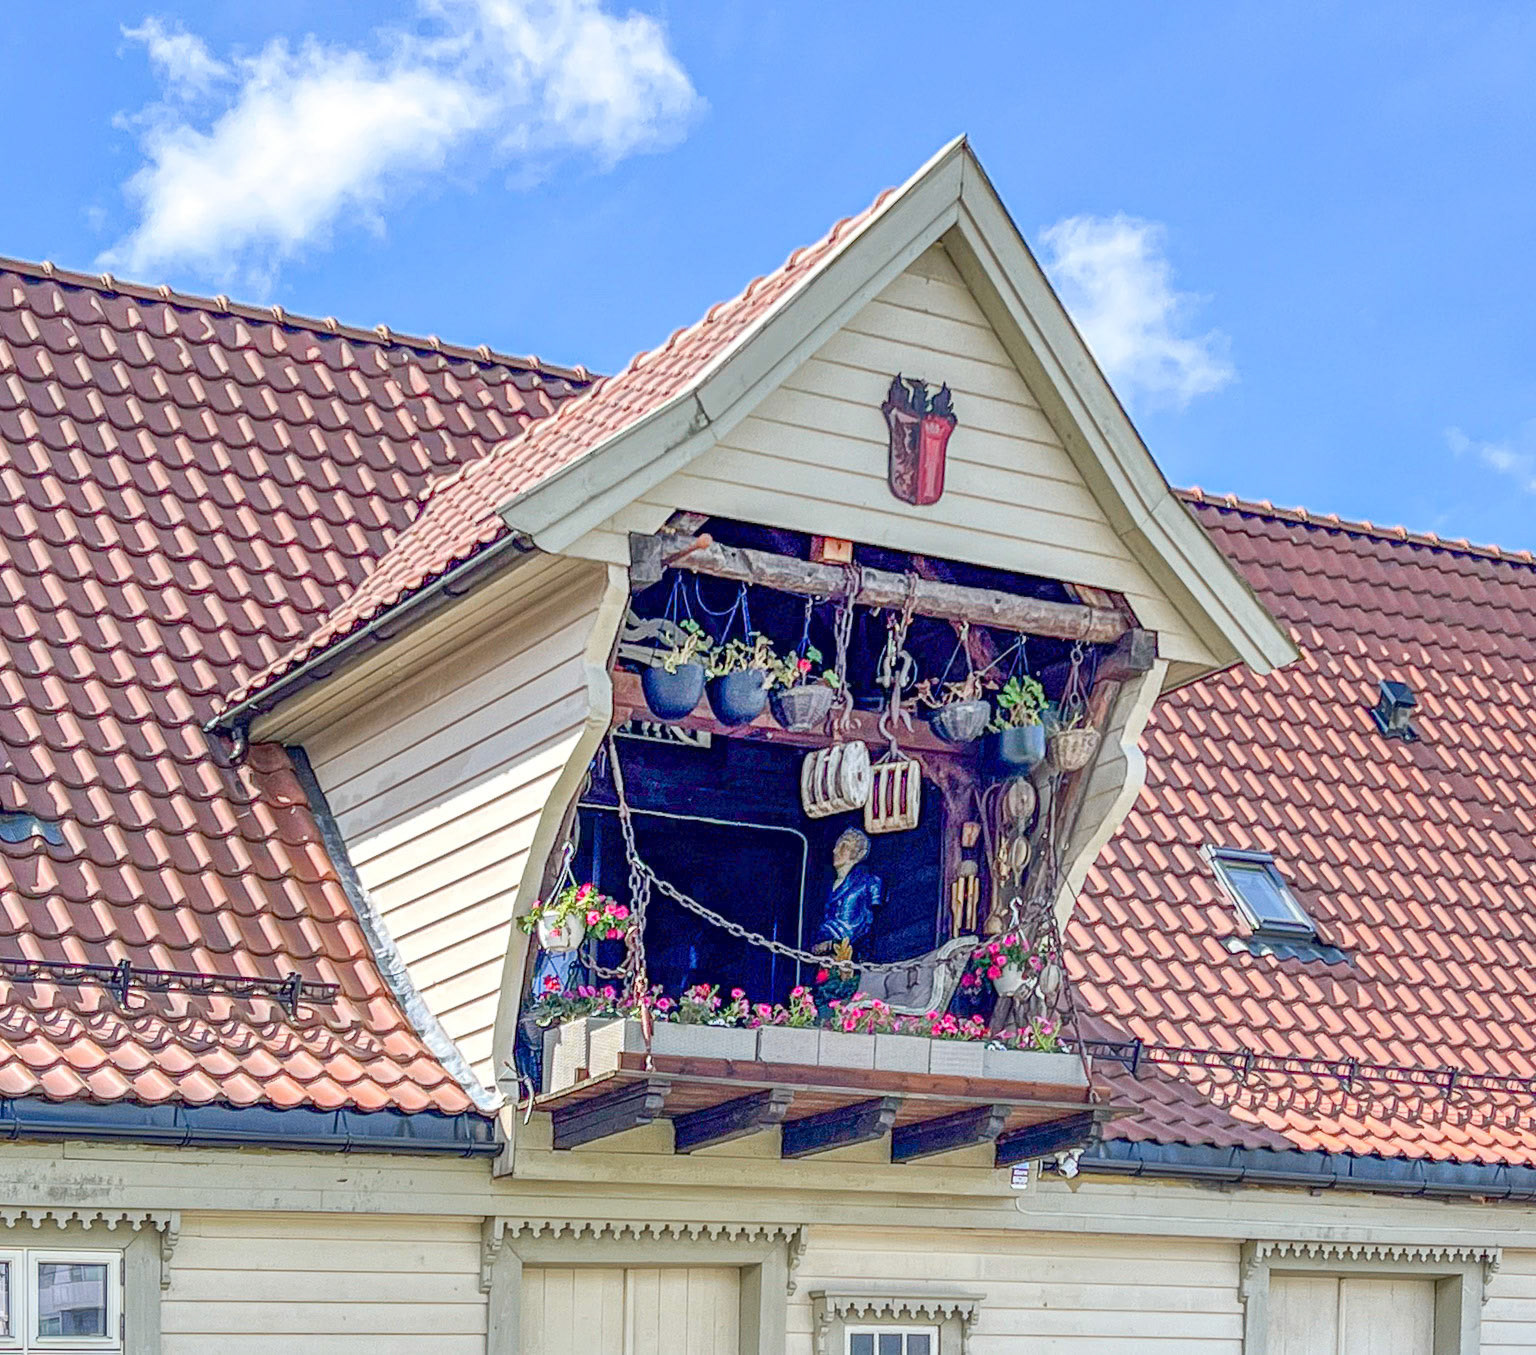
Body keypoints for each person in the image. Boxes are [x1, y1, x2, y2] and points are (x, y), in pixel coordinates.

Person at [813, 827, 883, 956]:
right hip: (823, 954)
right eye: (836, 845)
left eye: (844, 845)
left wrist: (835, 944)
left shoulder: (870, 882)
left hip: (852, 954)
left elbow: (868, 923)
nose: (835, 850)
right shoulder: (826, 886)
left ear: (860, 853)